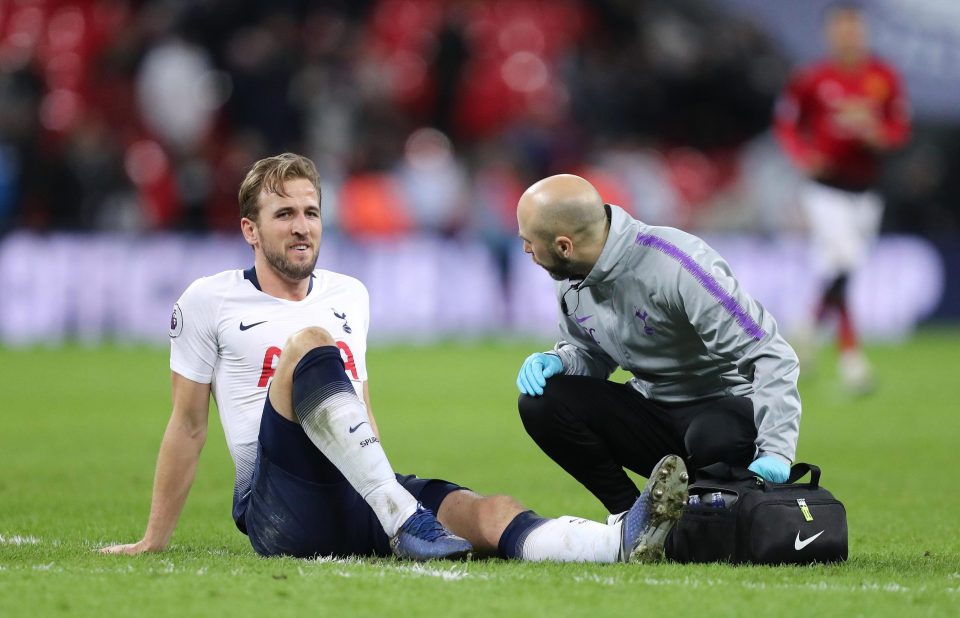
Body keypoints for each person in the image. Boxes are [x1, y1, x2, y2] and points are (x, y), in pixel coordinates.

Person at [100, 153, 689, 563]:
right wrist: (155, 538)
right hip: (277, 505)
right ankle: (403, 518)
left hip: (359, 494)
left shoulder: (349, 294)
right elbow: (188, 424)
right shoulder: (207, 299)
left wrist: (384, 488)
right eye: (284, 215)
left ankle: (619, 542)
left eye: (310, 212)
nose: (302, 227)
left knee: (488, 512)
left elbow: (357, 406)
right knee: (310, 344)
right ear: (250, 230)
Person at [514, 174, 801, 518]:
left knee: (715, 436)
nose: (527, 250)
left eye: (529, 241)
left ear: (564, 246)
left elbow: (769, 351)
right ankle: (632, 518)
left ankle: (715, 506)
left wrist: (777, 452)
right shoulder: (572, 276)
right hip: (652, 409)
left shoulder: (680, 266)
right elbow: (591, 354)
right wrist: (560, 361)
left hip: (720, 409)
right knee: (541, 402)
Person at [774, 2, 910, 392]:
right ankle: (852, 360)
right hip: (826, 190)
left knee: (842, 270)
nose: (848, 34)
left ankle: (805, 327)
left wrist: (880, 137)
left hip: (866, 191)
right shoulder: (813, 79)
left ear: (863, 31)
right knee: (844, 259)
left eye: (853, 27)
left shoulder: (883, 78)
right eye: (841, 28)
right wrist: (803, 156)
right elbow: (787, 124)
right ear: (830, 33)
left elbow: (899, 127)